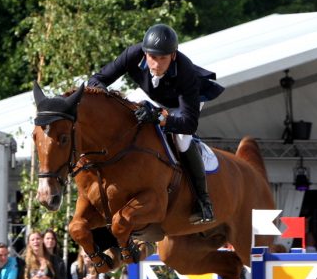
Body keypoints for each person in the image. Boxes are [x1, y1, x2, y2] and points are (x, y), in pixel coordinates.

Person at [87, 23, 224, 224]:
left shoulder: (186, 72)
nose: (156, 64)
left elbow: (188, 123)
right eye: (152, 57)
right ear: (144, 53)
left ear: (173, 55)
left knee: (182, 140)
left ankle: (203, 202)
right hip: (150, 95)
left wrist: (160, 117)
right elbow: (96, 80)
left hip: (181, 105)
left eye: (163, 58)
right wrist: (110, 101)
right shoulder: (133, 54)